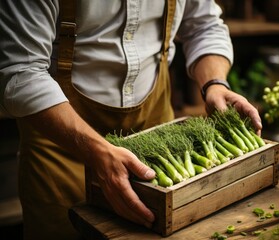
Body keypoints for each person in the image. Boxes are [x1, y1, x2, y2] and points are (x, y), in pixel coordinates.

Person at [0, 1, 262, 239]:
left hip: (157, 133)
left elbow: (204, 26)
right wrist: (97, 151)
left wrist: (214, 84)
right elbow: (21, 72)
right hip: (63, 149)